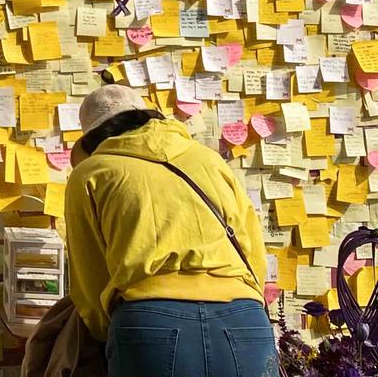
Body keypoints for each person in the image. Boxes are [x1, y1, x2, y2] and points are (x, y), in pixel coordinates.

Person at [63, 83, 279, 377]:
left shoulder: (91, 173)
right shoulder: (209, 160)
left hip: (150, 320)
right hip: (243, 318)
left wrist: (105, 330)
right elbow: (252, 247)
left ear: (92, 138)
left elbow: (89, 274)